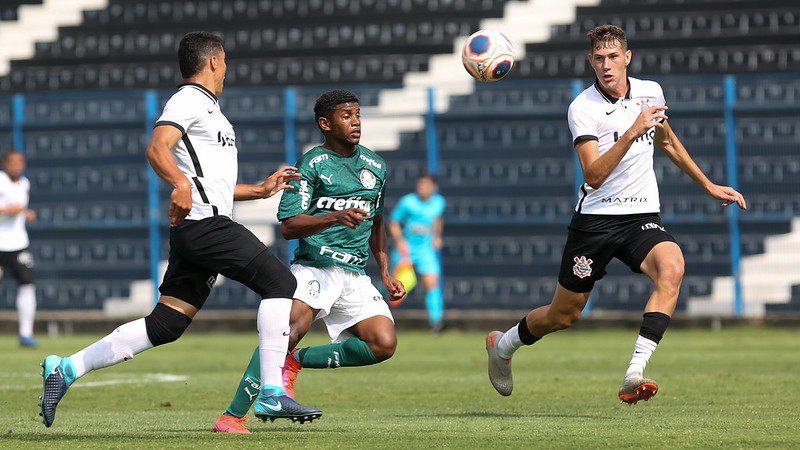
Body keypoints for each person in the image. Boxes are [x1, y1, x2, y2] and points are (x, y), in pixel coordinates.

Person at [38, 31, 322, 428]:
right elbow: (158, 147)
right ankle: (273, 392)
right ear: (214, 61)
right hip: (205, 226)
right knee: (280, 283)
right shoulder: (189, 98)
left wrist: (258, 190)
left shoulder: (212, 111)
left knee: (166, 324)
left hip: (199, 226)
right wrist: (180, 184)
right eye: (225, 61)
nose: (227, 68)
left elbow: (210, 183)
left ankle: (65, 368)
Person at [485, 24, 747, 404]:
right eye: (599, 59)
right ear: (590, 61)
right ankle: (503, 345)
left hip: (641, 215)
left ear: (627, 58)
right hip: (595, 221)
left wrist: (707, 184)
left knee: (672, 268)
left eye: (613, 57)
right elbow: (593, 175)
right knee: (564, 315)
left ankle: (634, 372)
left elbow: (666, 140)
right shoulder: (583, 108)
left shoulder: (650, 91)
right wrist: (630, 132)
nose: (607, 66)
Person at [211, 89, 405, 434]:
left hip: (355, 274)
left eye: (358, 114)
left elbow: (377, 222)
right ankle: (232, 416)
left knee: (383, 344)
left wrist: (386, 272)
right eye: (346, 116)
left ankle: (294, 361)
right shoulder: (312, 164)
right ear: (325, 124)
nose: (356, 121)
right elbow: (288, 225)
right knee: (287, 332)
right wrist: (333, 218)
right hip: (315, 266)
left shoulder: (377, 166)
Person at [388, 174, 446, 332]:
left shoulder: (439, 202)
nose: (421, 188)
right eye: (419, 184)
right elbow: (393, 221)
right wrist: (400, 240)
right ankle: (379, 314)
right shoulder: (408, 202)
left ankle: (436, 322)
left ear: (433, 187)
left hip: (425, 250)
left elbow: (438, 219)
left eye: (425, 185)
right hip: (406, 250)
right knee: (391, 285)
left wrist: (437, 236)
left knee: (432, 282)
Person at [0, 149, 38, 347]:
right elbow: (9, 209)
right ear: (5, 164)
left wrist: (27, 214)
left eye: (20, 162)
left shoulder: (24, 183)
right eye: (12, 162)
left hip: (18, 244)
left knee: (27, 283)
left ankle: (25, 333)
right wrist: (9, 210)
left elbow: (20, 209)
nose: (17, 166)